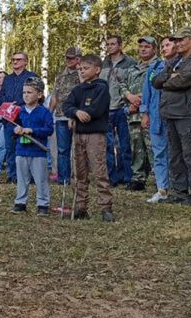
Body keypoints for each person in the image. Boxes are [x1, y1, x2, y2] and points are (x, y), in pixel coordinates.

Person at [152, 28, 191, 206]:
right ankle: (180, 192)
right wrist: (170, 76)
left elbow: (182, 81)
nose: (177, 43)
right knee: (175, 155)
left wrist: (170, 79)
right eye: (175, 40)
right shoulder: (175, 61)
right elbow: (155, 81)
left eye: (181, 40)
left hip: (189, 114)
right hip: (172, 113)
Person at [62, 55, 113, 221]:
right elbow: (66, 106)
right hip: (78, 135)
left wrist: (83, 113)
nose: (82, 71)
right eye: (81, 69)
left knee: (99, 171)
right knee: (79, 172)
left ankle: (105, 207)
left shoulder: (102, 88)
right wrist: (75, 112)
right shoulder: (78, 89)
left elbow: (97, 109)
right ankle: (80, 206)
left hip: (95, 135)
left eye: (86, 68)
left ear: (97, 70)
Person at [10, 78, 55, 215]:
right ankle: (20, 202)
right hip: (21, 151)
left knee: (41, 179)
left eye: (29, 92)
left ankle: (43, 204)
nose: (26, 95)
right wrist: (15, 130)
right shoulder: (19, 111)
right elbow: (12, 126)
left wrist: (33, 130)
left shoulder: (44, 112)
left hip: (38, 151)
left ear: (39, 95)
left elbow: (49, 130)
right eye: (24, 92)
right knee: (22, 178)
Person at [100, 35, 136, 186]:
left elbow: (133, 84)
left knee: (124, 145)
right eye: (108, 44)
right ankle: (111, 177)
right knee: (107, 146)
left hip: (122, 108)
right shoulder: (103, 63)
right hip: (105, 109)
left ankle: (127, 176)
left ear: (120, 45)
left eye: (113, 44)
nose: (110, 47)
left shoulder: (130, 63)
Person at [0, 52, 39, 183]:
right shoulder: (7, 79)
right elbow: (1, 95)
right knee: (10, 148)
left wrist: (19, 105)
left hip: (26, 119)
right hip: (9, 119)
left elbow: (36, 95)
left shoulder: (32, 77)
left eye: (19, 59)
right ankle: (12, 176)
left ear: (25, 62)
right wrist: (7, 105)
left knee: (27, 148)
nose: (15, 62)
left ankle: (29, 177)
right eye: (13, 59)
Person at [140, 38, 172, 202]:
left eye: (168, 45)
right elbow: (147, 93)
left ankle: (178, 188)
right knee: (159, 153)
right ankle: (162, 189)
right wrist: (145, 114)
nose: (165, 48)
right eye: (163, 46)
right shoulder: (154, 68)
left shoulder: (184, 66)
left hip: (174, 116)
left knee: (175, 154)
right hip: (156, 117)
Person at [125, 38, 156, 191]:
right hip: (133, 115)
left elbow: (157, 88)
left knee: (153, 147)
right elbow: (122, 84)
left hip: (151, 114)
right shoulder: (132, 68)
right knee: (136, 147)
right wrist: (130, 96)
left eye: (147, 46)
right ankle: (138, 178)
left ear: (154, 49)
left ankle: (159, 179)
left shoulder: (159, 66)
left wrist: (141, 100)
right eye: (141, 46)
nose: (143, 49)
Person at [49, 52, 81, 185]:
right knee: (62, 150)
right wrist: (48, 114)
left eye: (71, 58)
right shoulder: (60, 77)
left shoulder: (83, 74)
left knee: (78, 149)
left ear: (78, 59)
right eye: (67, 57)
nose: (68, 60)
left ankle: (79, 177)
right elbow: (54, 96)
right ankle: (63, 178)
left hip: (77, 116)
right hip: (61, 116)